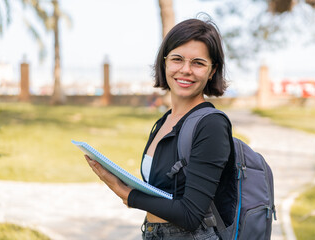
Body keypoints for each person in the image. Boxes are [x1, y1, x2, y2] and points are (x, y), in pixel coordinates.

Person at [85, 16, 234, 239]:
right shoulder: (165, 120)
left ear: (212, 71)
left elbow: (191, 214)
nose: (186, 70)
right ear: (164, 63)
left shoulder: (211, 125)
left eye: (198, 63)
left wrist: (127, 194)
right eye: (177, 59)